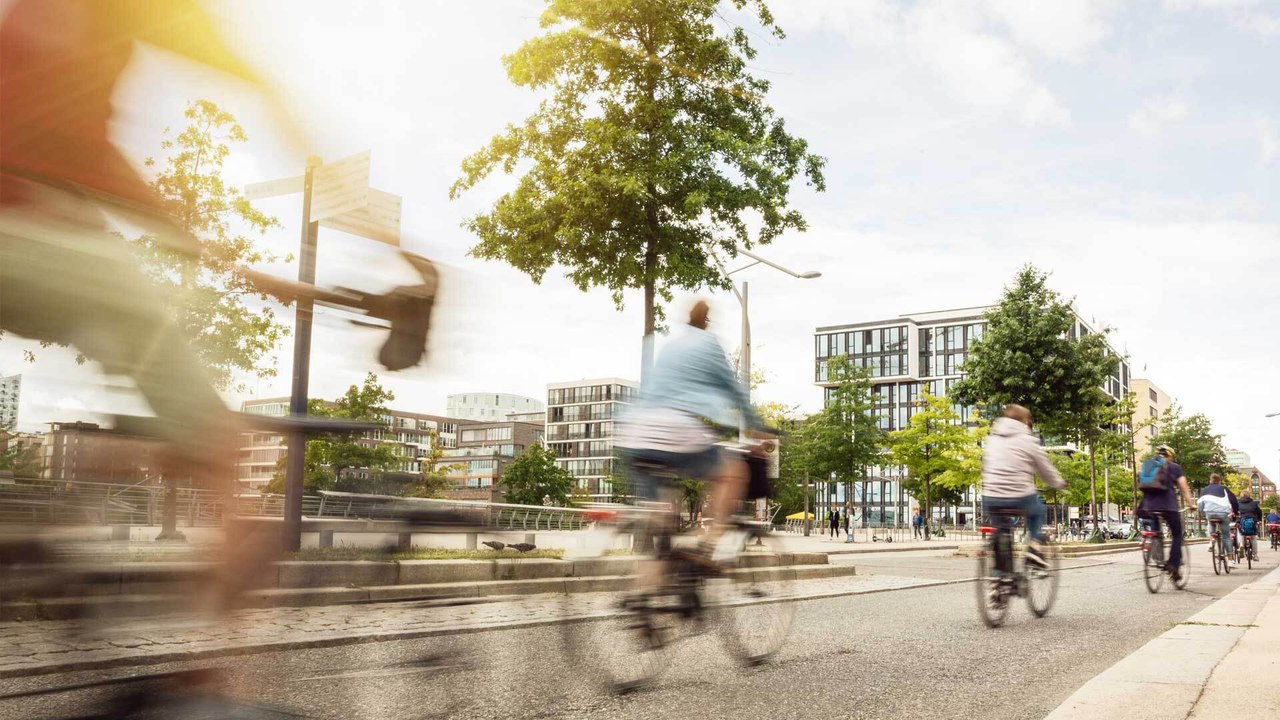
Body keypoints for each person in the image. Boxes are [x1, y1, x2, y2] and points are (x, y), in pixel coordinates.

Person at [615, 300, 768, 571]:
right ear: (706, 322)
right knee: (733, 473)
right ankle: (706, 547)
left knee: (661, 517)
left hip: (635, 433)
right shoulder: (709, 345)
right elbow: (734, 390)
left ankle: (644, 597)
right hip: (675, 428)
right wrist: (755, 428)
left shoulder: (670, 346)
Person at [981, 404, 1066, 567]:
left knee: (1001, 531)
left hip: (991, 496)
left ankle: (998, 578)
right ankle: (1033, 549)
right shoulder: (1028, 440)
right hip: (1019, 495)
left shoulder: (992, 438)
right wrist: (1059, 483)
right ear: (1024, 421)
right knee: (1038, 511)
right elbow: (1045, 470)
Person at [1198, 473, 1239, 564]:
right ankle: (1230, 560)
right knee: (1226, 536)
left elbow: (1200, 504)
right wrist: (1235, 512)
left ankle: (1212, 538)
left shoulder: (1204, 490)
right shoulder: (1224, 489)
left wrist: (1203, 514)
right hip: (1223, 514)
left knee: (1210, 521)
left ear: (1210, 480)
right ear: (1219, 481)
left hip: (1209, 513)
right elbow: (1234, 501)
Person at [1236, 489, 1263, 561]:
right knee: (1253, 538)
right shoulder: (1254, 503)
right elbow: (1259, 512)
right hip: (1252, 521)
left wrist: (1236, 520)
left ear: (1241, 495)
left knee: (1240, 533)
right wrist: (1259, 520)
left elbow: (1235, 512)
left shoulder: (1238, 503)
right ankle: (1255, 555)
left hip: (1242, 521)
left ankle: (1241, 545)